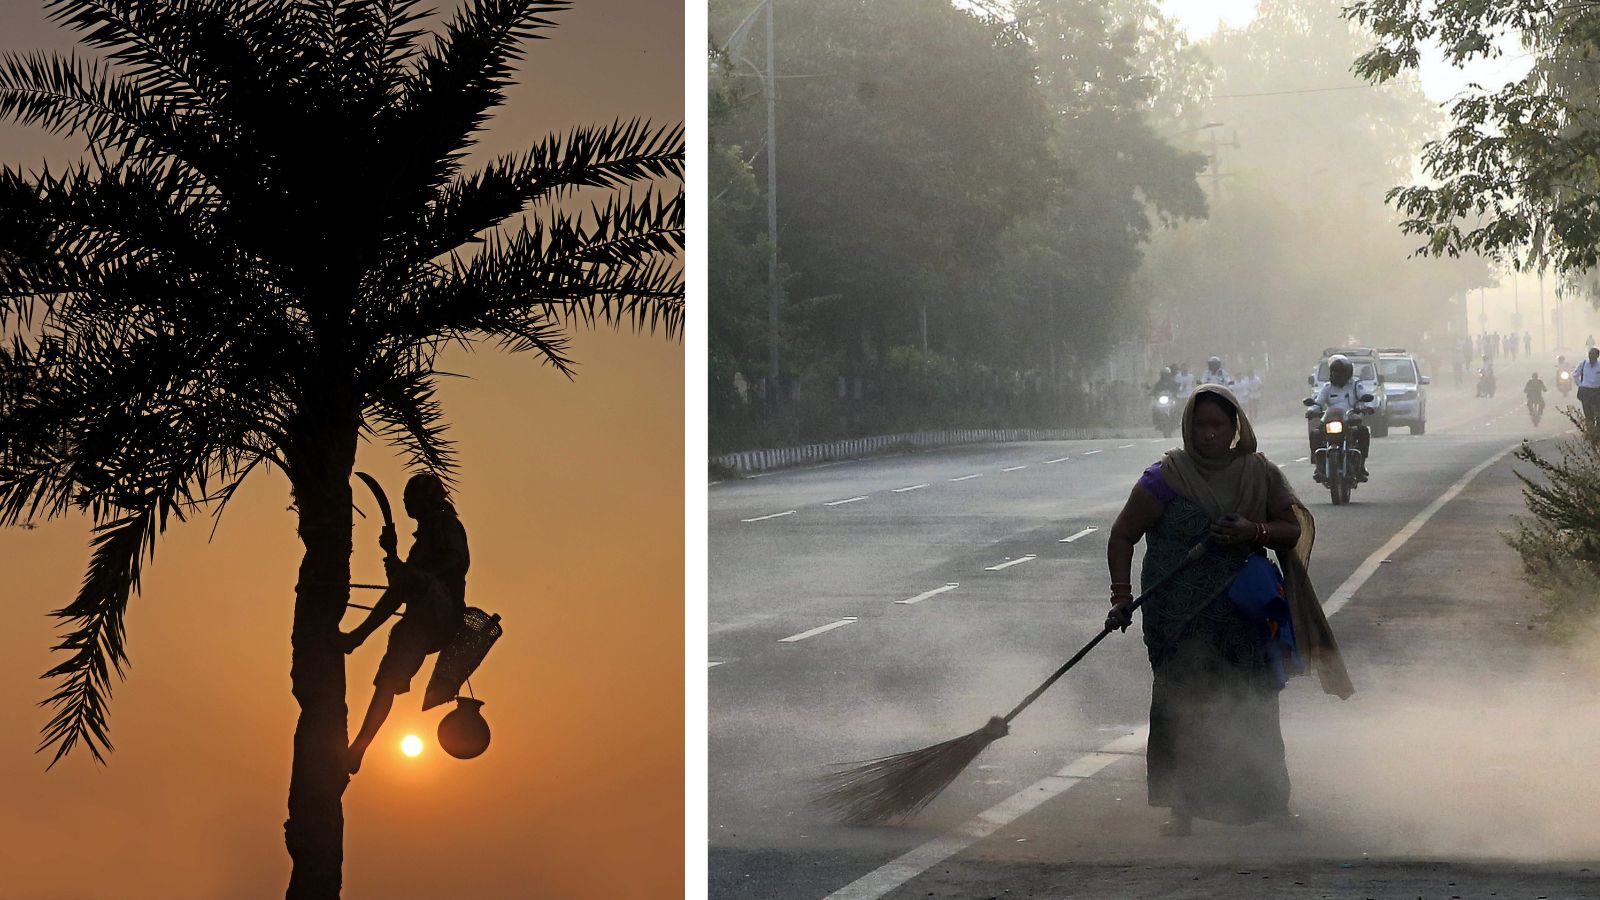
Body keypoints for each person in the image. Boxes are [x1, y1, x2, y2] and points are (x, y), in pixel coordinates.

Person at [1104, 385, 1353, 837]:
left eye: (1219, 425)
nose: (1209, 435)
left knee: (1254, 702)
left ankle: (1272, 805)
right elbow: (1122, 536)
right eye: (1201, 426)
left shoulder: (1259, 474)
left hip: (1242, 616)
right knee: (1181, 705)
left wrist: (1252, 530)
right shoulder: (1163, 478)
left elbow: (1288, 529)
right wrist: (1121, 597)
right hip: (1177, 617)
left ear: (1236, 426)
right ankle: (1181, 810)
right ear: (1187, 428)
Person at [342, 472, 470, 774]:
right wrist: (391, 554)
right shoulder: (423, 538)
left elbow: (458, 561)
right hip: (421, 621)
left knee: (406, 583)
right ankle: (359, 748)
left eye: (410, 498)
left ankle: (358, 636)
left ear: (427, 499)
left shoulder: (445, 524)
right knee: (387, 681)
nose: (406, 503)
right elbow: (400, 585)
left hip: (442, 611)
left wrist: (418, 574)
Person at [1308, 355, 1373, 481]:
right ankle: (1318, 466)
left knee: (1363, 432)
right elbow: (1319, 403)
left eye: (1338, 372)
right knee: (1315, 434)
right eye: (1333, 372)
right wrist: (1311, 410)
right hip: (1330, 419)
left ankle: (1361, 466)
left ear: (1347, 373)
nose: (1335, 375)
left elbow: (1363, 396)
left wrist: (1366, 407)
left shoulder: (1355, 385)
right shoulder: (1327, 387)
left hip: (1350, 419)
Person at [1573, 347, 1600, 428]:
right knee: (1588, 413)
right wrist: (1580, 385)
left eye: (1593, 355)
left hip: (1597, 391)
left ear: (1597, 356)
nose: (1591, 357)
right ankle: (1590, 431)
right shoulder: (1583, 363)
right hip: (1586, 391)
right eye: (1590, 355)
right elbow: (1575, 375)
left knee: (1598, 413)